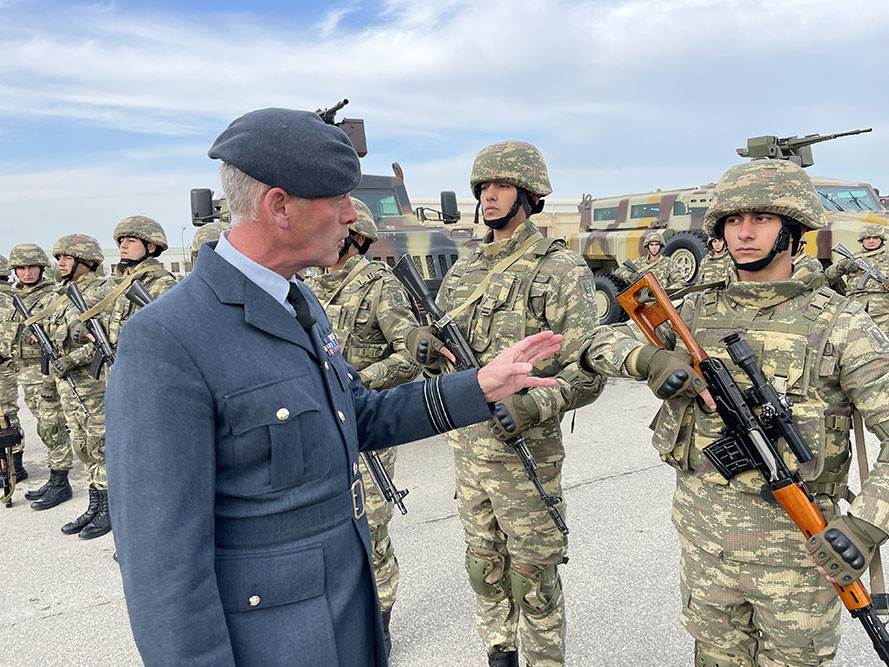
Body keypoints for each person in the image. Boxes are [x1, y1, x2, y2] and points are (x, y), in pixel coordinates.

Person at [105, 108, 563, 667]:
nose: (352, 215)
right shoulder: (167, 338)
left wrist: (480, 385)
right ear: (279, 206)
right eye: (338, 198)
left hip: (348, 620)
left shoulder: (299, 301)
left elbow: (358, 415)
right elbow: (163, 568)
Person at [581, 159, 889, 666]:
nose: (744, 233)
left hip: (798, 563)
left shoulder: (841, 325)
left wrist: (866, 527)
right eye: (733, 220)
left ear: (793, 229)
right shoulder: (692, 311)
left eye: (761, 219)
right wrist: (647, 359)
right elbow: (593, 342)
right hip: (706, 553)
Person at [411, 141, 603, 667]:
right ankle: (499, 654)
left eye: (501, 186)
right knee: (483, 569)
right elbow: (444, 362)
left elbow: (588, 370)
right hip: (469, 454)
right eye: (483, 188)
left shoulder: (559, 270)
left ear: (530, 195)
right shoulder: (463, 272)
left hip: (525, 454)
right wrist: (423, 347)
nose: (488, 196)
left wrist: (534, 405)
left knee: (532, 580)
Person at [306, 198, 418, 656]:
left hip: (364, 427)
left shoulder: (380, 286)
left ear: (356, 238)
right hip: (318, 427)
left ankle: (380, 621)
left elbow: (410, 354)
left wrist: (357, 382)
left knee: (371, 530)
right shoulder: (307, 286)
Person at [41, 234, 112, 539]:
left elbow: (104, 339)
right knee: (82, 445)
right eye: (59, 258)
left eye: (67, 258)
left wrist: (71, 360)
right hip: (68, 386)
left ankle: (109, 507)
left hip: (93, 385)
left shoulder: (100, 291)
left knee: (100, 445)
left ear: (87, 262)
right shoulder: (61, 294)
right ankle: (94, 504)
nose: (60, 263)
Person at [0, 244, 73, 509]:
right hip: (23, 372)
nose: (27, 273)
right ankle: (54, 478)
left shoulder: (53, 296)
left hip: (46, 372)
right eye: (21, 268)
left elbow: (67, 328)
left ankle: (61, 481)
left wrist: (49, 332)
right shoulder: (15, 298)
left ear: (41, 268)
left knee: (52, 426)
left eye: (32, 267)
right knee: (44, 426)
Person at [104, 216, 178, 347]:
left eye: (131, 241)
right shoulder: (117, 283)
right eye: (121, 240)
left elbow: (172, 335)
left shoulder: (163, 285)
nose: (123, 245)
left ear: (151, 247)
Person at [825, 223, 889, 336]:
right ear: (862, 241)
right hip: (855, 309)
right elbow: (829, 275)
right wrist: (843, 265)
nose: (871, 241)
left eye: (875, 238)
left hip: (882, 311)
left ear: (882, 239)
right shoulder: (853, 259)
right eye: (867, 238)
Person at [0, 254, 26, 482]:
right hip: (7, 364)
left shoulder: (4, 299)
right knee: (7, 414)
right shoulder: (13, 296)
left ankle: (13, 466)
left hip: (3, 365)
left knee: (6, 415)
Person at [614, 231, 684, 289]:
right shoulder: (640, 262)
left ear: (660, 246)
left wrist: (666, 291)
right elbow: (618, 271)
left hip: (661, 298)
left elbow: (681, 282)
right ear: (648, 246)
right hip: (643, 299)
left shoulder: (668, 263)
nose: (654, 248)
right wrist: (631, 276)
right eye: (651, 245)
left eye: (657, 245)